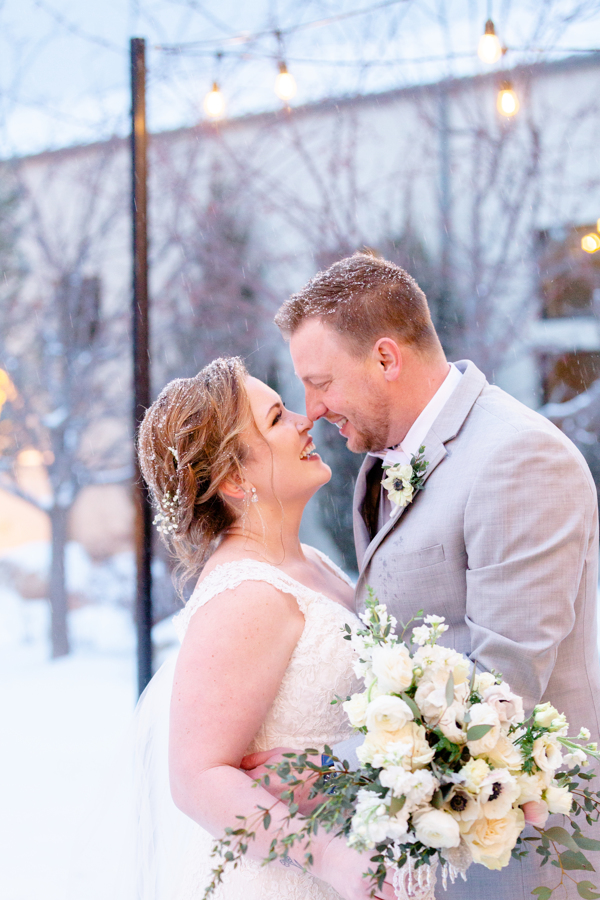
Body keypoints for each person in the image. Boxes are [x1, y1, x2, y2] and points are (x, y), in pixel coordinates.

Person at [243, 253, 600, 900]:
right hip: (430, 853)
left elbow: (501, 690)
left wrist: (328, 770)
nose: (311, 409)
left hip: (524, 863)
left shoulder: (519, 458)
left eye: (320, 382)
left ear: (386, 358)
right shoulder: (380, 463)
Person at [131, 356, 396, 900]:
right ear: (233, 478)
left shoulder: (312, 564)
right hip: (287, 875)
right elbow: (196, 777)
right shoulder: (246, 594)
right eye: (277, 418)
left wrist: (340, 773)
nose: (306, 420)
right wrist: (330, 857)